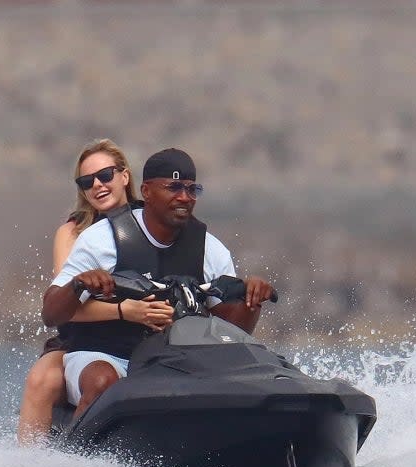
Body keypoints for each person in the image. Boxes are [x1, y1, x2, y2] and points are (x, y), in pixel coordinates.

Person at [42, 147, 275, 419]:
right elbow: (50, 313)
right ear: (147, 192)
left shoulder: (209, 249)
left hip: (175, 361)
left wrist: (250, 301)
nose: (184, 197)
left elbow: (229, 330)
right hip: (107, 356)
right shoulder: (100, 240)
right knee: (102, 383)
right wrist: (78, 286)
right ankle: (79, 460)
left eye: (191, 190)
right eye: (174, 188)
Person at [17, 139, 174, 445]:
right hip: (83, 335)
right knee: (43, 379)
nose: (98, 185)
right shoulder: (74, 233)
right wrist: (125, 310)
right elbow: (67, 304)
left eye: (105, 176)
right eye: (87, 181)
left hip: (144, 336)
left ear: (124, 176)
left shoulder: (153, 223)